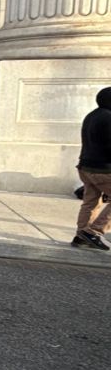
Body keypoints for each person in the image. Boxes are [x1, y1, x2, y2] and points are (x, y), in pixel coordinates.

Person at [72, 87, 111, 251]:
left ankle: (81, 235)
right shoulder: (109, 117)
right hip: (103, 170)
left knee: (90, 202)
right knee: (91, 202)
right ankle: (93, 232)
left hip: (85, 167)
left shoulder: (92, 115)